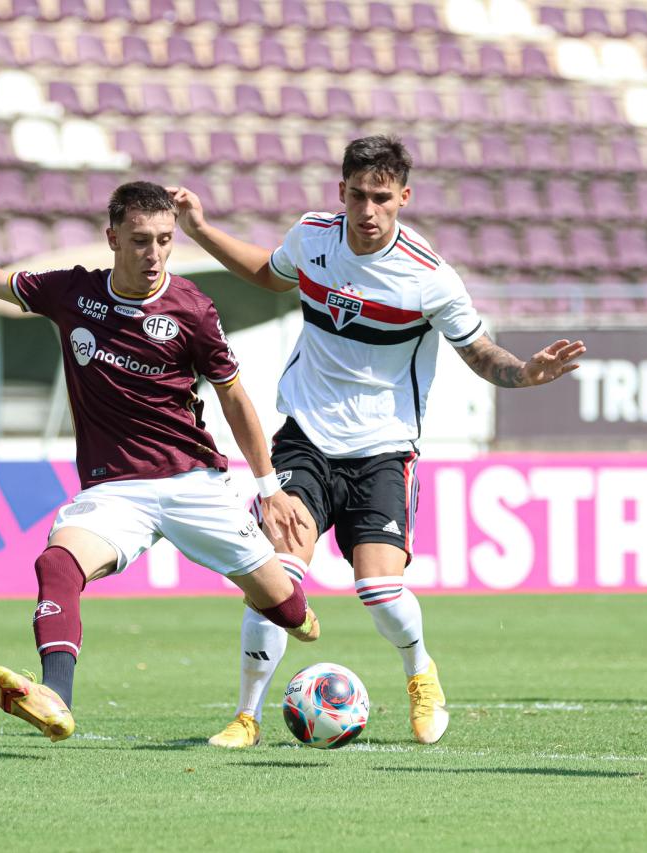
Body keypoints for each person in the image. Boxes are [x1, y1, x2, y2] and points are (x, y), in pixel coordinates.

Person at [0, 180, 319, 742]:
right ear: (111, 237)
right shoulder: (71, 292)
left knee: (290, 614)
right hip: (115, 490)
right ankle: (54, 700)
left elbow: (234, 395)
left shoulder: (192, 308)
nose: (154, 253)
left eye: (164, 240)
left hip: (195, 484)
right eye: (140, 240)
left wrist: (267, 485)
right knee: (56, 566)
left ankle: (297, 612)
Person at [168, 135, 586, 748]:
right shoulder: (313, 235)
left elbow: (479, 352)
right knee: (276, 577)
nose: (368, 210)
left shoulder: (429, 278)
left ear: (404, 198)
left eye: (382, 199)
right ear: (341, 192)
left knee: (378, 589)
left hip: (383, 450)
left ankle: (420, 674)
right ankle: (247, 716)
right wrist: (200, 230)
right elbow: (270, 273)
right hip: (305, 437)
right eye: (358, 195)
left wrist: (525, 373)